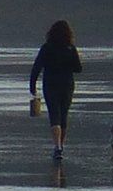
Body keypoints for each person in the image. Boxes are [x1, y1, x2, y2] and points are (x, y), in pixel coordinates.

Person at [28, 19, 84, 162]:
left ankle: (57, 146)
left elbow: (37, 67)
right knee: (63, 115)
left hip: (51, 84)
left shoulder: (47, 48)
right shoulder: (71, 48)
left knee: (54, 115)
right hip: (67, 85)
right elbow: (78, 69)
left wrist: (32, 86)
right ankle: (60, 146)